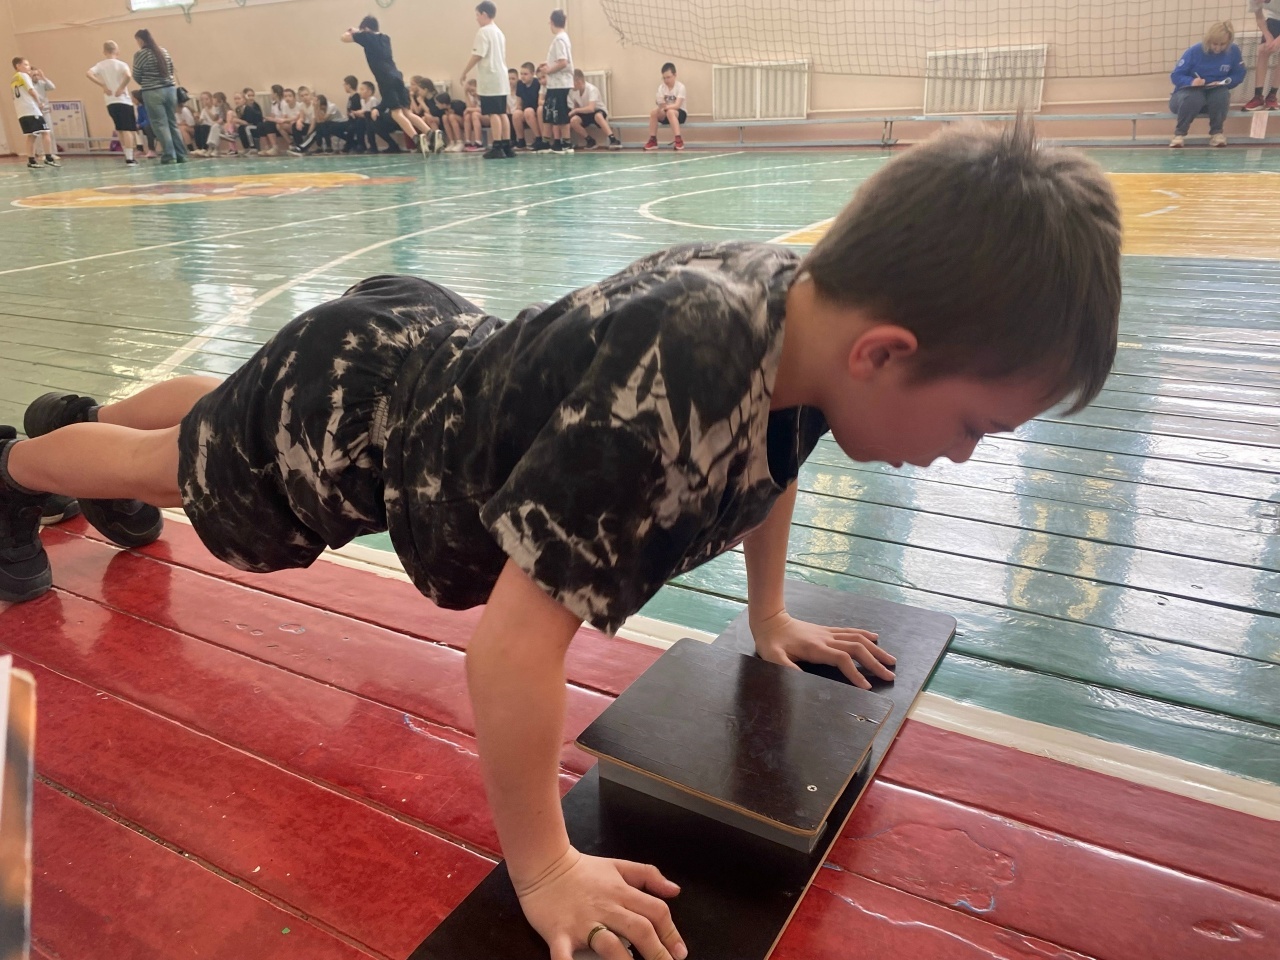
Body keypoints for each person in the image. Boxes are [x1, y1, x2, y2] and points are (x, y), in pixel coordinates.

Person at [0, 118, 1121, 960]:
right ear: (883, 354)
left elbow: (771, 461)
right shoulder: (676, 385)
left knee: (214, 425)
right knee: (175, 468)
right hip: (354, 431)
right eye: (974, 427)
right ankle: (17, 467)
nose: (961, 457)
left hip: (397, 357)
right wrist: (542, 869)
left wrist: (769, 616)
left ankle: (77, 421)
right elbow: (510, 649)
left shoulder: (806, 318)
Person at [342, 15, 432, 156]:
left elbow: (344, 38)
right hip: (397, 76)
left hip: (385, 79)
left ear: (366, 28)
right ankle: (431, 133)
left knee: (396, 113)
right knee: (407, 112)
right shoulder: (385, 38)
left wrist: (352, 31)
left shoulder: (366, 36)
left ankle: (417, 139)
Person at [1168, 21, 1246, 147]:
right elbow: (1176, 75)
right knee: (1194, 97)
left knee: (1222, 94)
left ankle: (1217, 133)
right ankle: (1179, 134)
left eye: (1222, 44)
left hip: (1213, 96)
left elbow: (1239, 74)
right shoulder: (1194, 51)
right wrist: (1191, 82)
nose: (1218, 48)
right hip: (1187, 95)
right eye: (1215, 44)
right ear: (1208, 40)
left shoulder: (1234, 51)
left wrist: (1224, 82)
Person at [460, 1, 514, 160]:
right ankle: (507, 145)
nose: (476, 18)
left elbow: (478, 54)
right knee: (502, 112)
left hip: (490, 77)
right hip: (501, 76)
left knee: (493, 113)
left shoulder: (483, 32)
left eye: (477, 15)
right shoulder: (499, 32)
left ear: (484, 14)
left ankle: (497, 146)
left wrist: (465, 71)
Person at [132, 28, 186, 164]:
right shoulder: (163, 51)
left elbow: (136, 75)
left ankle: (169, 155)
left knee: (160, 124)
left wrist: (147, 82)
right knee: (172, 123)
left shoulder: (140, 54)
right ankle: (181, 154)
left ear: (140, 40)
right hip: (170, 90)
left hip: (152, 92)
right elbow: (171, 69)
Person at [87, 42, 138, 165]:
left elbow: (88, 73)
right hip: (123, 100)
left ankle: (126, 154)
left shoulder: (100, 65)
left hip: (110, 101)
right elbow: (128, 76)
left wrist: (103, 85)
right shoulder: (121, 64)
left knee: (119, 129)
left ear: (104, 52)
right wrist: (121, 87)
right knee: (127, 130)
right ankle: (130, 158)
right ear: (117, 51)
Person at [10, 58, 59, 169]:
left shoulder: (13, 79)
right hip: (31, 109)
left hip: (21, 111)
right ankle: (49, 158)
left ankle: (31, 160)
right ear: (18, 66)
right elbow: (31, 90)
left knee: (31, 135)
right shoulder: (23, 76)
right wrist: (39, 102)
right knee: (46, 132)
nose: (28, 67)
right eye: (26, 64)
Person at [538, 8, 574, 153]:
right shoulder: (563, 37)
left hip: (560, 84)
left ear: (552, 22)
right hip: (556, 84)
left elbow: (563, 62)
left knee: (560, 113)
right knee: (550, 111)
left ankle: (566, 143)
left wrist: (548, 70)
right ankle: (546, 142)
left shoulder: (559, 39)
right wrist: (548, 64)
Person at [568, 68, 621, 150]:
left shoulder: (591, 89)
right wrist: (572, 113)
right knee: (573, 121)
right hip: (584, 112)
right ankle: (590, 141)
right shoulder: (573, 92)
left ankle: (613, 139)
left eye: (571, 82)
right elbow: (576, 106)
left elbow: (591, 108)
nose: (570, 85)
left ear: (579, 81)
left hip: (597, 110)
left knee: (598, 116)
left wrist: (576, 110)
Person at [1244, 0, 1280, 110]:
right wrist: (1268, 36)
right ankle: (1258, 96)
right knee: (1263, 50)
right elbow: (1259, 18)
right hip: (1274, 17)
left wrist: (1278, 40)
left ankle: (1272, 96)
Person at [646, 62, 687, 151]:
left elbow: (677, 105)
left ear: (675, 75)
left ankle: (678, 139)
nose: (666, 80)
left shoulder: (680, 87)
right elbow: (661, 103)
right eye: (664, 78)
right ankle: (653, 140)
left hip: (680, 113)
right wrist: (660, 105)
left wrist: (665, 107)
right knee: (654, 112)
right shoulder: (661, 87)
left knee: (670, 112)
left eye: (668, 77)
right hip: (666, 112)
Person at [513, 61, 543, 150]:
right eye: (521, 74)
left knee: (528, 111)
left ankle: (539, 138)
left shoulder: (537, 83)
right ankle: (521, 140)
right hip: (526, 111)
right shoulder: (519, 84)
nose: (522, 76)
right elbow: (519, 102)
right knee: (516, 114)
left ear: (532, 74)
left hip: (536, 111)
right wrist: (518, 109)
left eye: (525, 74)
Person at [132, 90, 157, 158]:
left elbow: (149, 119)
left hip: (152, 125)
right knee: (133, 128)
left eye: (133, 98)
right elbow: (140, 118)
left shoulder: (147, 106)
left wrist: (140, 125)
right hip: (145, 124)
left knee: (147, 127)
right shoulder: (139, 107)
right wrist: (137, 124)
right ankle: (140, 148)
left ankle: (152, 150)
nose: (132, 100)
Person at [462, 78, 484, 150]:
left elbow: (484, 110)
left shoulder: (483, 96)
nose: (472, 93)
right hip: (479, 116)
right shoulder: (474, 98)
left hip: (488, 116)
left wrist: (469, 109)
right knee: (467, 116)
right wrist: (466, 93)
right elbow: (469, 108)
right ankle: (468, 141)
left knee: (474, 114)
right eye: (470, 92)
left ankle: (478, 142)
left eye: (473, 90)